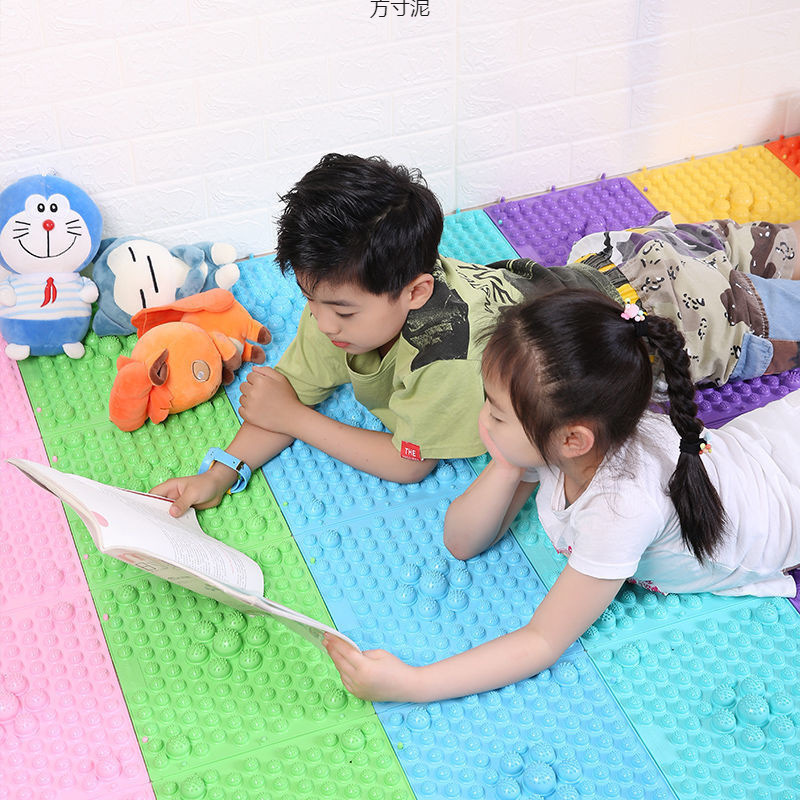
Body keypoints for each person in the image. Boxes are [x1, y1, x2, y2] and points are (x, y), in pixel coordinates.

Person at [324, 289, 800, 703]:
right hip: (766, 445)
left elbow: (542, 641)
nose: (483, 419)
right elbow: (462, 542)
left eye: (497, 413)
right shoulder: (571, 434)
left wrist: (413, 683)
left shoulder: (620, 509)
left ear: (573, 439)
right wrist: (506, 464)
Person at [153, 153, 543, 514]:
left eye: (343, 311)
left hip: (567, 311)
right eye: (309, 299)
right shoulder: (334, 304)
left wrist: (295, 419)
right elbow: (284, 395)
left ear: (415, 292)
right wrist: (219, 475)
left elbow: (410, 463)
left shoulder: (449, 356)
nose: (323, 323)